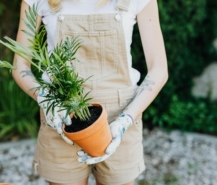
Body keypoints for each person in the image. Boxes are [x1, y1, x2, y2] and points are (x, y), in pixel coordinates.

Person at [12, 0, 168, 184]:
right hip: (62, 119)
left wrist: (126, 120)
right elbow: (20, 66)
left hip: (120, 116)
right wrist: (46, 101)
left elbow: (159, 69)